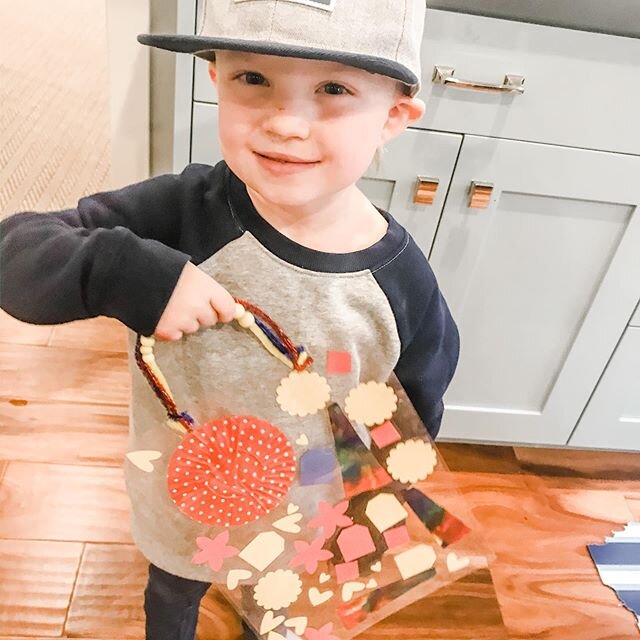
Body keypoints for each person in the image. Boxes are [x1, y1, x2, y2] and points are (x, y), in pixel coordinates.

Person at [0, 1, 460, 638]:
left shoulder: (401, 285)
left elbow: (411, 413)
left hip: (304, 513)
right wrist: (125, 273)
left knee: (275, 611)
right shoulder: (181, 212)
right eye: (254, 80)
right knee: (171, 592)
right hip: (180, 501)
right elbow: (14, 254)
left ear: (395, 116)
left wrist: (379, 507)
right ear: (215, 78)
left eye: (333, 89)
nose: (285, 123)